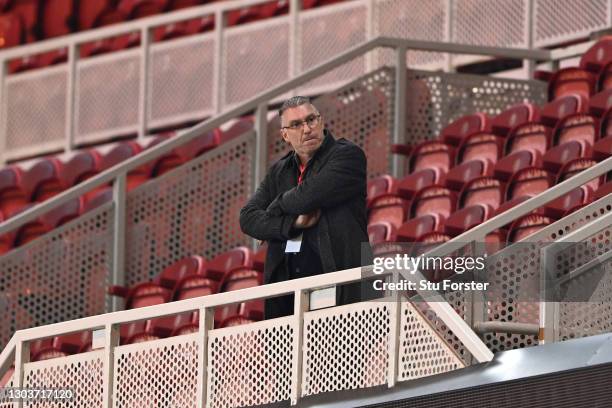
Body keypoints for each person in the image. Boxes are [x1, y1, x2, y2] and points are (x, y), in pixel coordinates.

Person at [239, 96, 374, 319]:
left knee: (339, 354)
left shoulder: (347, 155)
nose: (307, 129)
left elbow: (308, 195)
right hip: (287, 296)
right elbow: (248, 218)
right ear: (285, 135)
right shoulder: (279, 172)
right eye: (296, 124)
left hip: (340, 288)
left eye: (311, 120)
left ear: (321, 122)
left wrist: (275, 207)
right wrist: (291, 223)